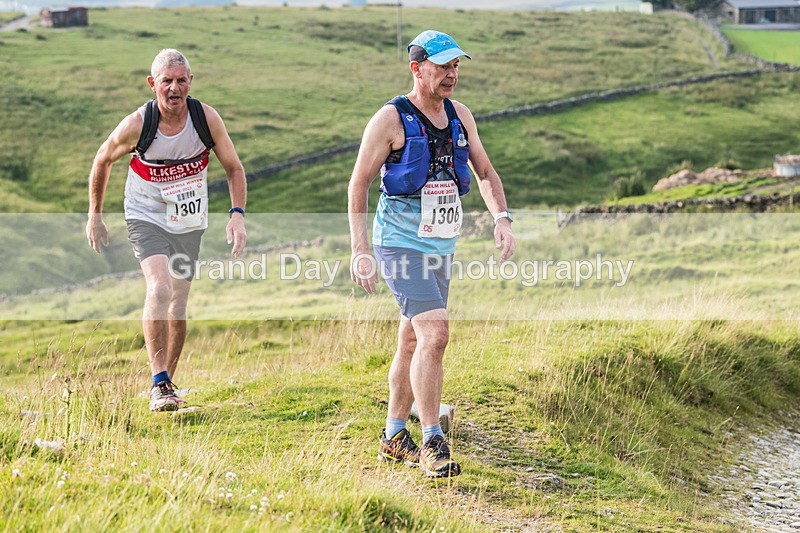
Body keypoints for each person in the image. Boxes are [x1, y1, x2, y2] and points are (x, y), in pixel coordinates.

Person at [348, 31, 516, 477]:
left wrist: (501, 218)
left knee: (412, 340)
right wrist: (360, 249)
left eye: (456, 66)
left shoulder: (461, 115)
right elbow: (359, 182)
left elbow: (485, 171)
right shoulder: (390, 119)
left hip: (441, 245)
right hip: (399, 244)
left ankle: (392, 435)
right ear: (417, 68)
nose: (451, 74)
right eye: (442, 66)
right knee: (436, 334)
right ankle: (432, 441)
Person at [85, 49, 247, 412]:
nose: (175, 88)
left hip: (188, 220)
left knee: (178, 304)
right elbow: (102, 158)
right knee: (159, 288)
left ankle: (165, 387)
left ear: (191, 81)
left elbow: (234, 168)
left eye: (181, 80)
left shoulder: (205, 119)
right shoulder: (138, 124)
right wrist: (95, 214)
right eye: (167, 81)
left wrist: (237, 214)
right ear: (152, 84)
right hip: (145, 214)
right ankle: (158, 381)